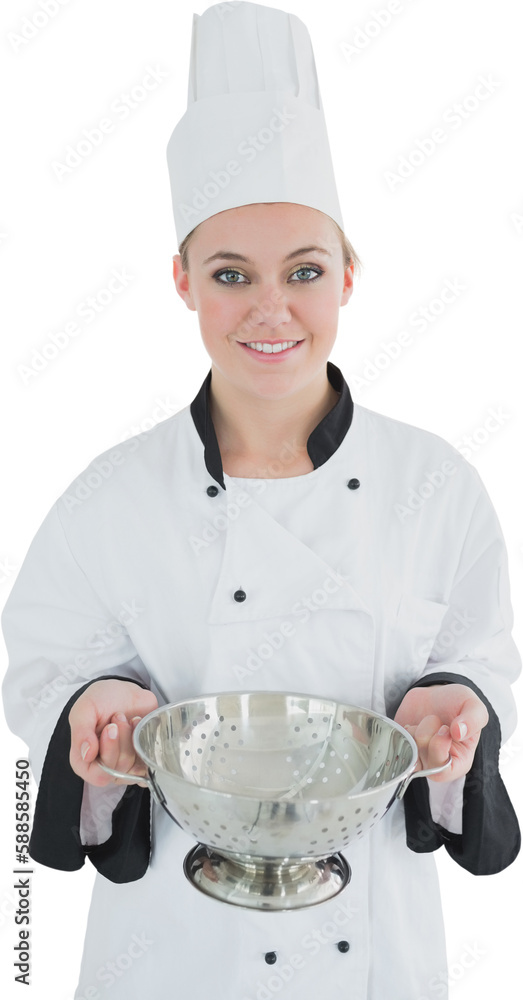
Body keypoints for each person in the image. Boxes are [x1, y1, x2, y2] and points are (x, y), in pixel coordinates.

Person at [1, 3, 520, 998]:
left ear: (349, 278)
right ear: (182, 281)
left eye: (305, 271)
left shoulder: (436, 486)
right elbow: (40, 682)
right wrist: (88, 719)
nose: (271, 309)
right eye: (230, 273)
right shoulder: (108, 499)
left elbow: (482, 661)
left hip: (372, 948)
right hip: (169, 951)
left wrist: (460, 714)